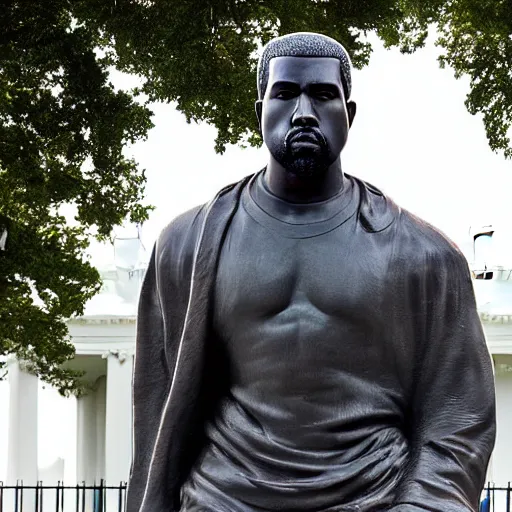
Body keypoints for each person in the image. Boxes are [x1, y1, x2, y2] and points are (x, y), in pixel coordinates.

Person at [127, 32, 496, 512]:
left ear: (351, 113)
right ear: (260, 109)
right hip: (223, 499)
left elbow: (460, 419)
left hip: (372, 499)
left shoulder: (426, 257)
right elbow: (156, 410)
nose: (303, 112)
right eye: (284, 94)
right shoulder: (185, 245)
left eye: (323, 95)